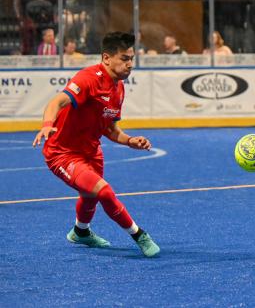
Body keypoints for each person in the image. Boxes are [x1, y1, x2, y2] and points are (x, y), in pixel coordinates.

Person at [32, 32, 160, 257]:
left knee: (90, 195)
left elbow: (110, 129)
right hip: (62, 153)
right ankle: (139, 235)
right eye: (124, 58)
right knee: (104, 192)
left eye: (131, 59)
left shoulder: (118, 88)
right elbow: (57, 101)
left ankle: (81, 232)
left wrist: (130, 141)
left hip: (91, 151)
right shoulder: (88, 78)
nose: (130, 64)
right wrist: (46, 124)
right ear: (106, 58)